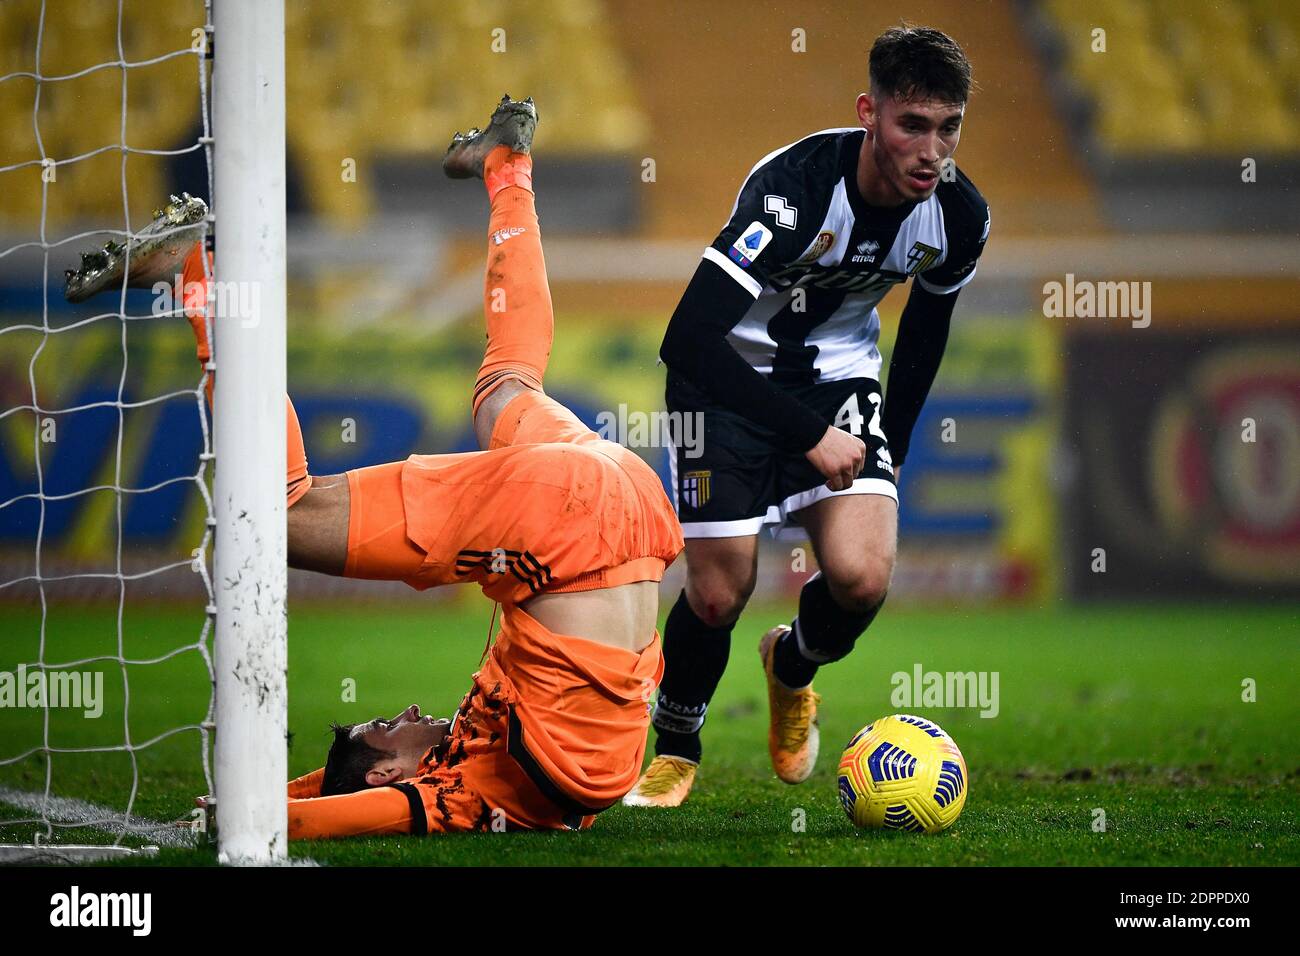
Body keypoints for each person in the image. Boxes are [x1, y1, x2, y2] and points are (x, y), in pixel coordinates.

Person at [67, 96, 684, 836]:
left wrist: (279, 795)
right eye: (384, 728)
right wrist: (261, 816)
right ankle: (198, 276)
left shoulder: (498, 784)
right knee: (279, 516)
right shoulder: (468, 791)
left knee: (506, 390)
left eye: (384, 721)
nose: (410, 712)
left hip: (633, 506)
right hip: (568, 527)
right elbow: (354, 812)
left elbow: (338, 796)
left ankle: (507, 168)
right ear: (399, 772)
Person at [625, 26, 990, 807]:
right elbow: (686, 339)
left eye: (949, 126)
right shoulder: (791, 194)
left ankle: (790, 666)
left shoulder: (959, 216)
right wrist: (808, 436)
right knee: (719, 593)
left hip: (838, 382)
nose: (933, 150)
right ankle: (678, 748)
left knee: (861, 578)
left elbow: (925, 332)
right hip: (723, 382)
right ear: (869, 113)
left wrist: (889, 442)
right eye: (912, 125)